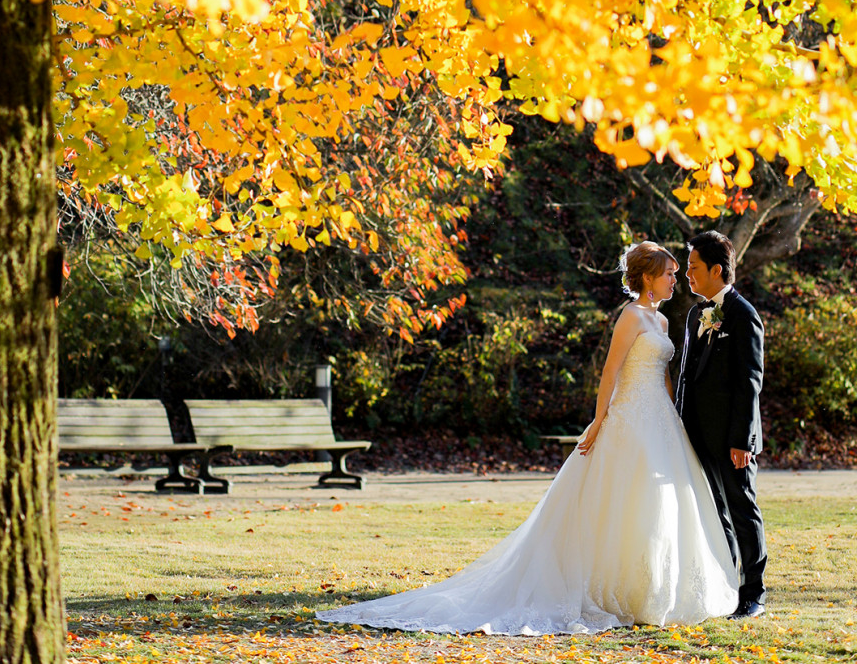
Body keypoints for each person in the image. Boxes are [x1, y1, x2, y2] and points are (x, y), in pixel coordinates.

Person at [316, 241, 738, 635]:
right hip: (629, 419)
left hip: (660, 420)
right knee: (625, 502)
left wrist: (675, 417)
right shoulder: (630, 317)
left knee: (660, 505)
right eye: (667, 273)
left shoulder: (663, 320)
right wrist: (598, 420)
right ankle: (619, 591)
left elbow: (663, 374)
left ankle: (653, 590)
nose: (674, 280)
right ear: (647, 278)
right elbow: (611, 372)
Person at [675, 230, 767, 619]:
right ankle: (728, 584)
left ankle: (754, 593)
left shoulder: (744, 315)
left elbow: (750, 380)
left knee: (742, 510)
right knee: (715, 513)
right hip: (695, 433)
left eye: (694, 267)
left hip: (731, 439)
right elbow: (686, 374)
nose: (687, 275)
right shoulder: (697, 313)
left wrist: (742, 440)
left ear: (716, 269)